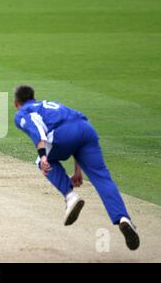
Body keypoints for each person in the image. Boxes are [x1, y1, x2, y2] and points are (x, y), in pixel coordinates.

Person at [14, 85, 140, 250]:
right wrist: (78, 170)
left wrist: (43, 155)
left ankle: (70, 196)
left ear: (16, 103)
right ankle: (123, 218)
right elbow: (76, 130)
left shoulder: (22, 113)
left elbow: (37, 130)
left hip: (63, 134)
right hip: (86, 130)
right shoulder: (52, 104)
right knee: (102, 178)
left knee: (41, 161)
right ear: (34, 97)